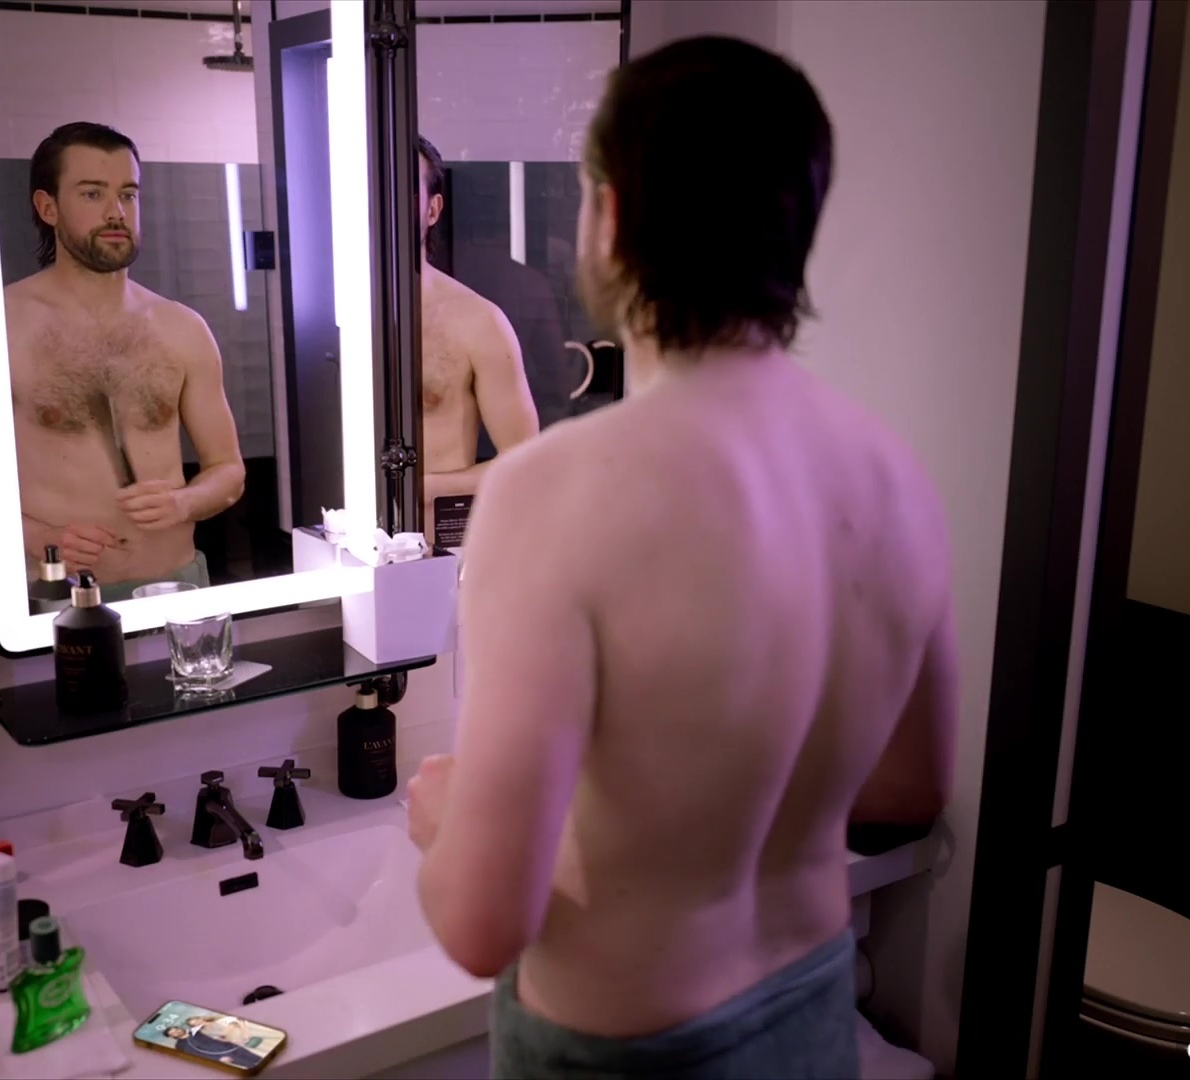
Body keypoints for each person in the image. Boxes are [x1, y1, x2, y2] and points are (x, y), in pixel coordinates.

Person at [405, 37, 957, 1079]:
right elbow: (910, 785)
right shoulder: (893, 474)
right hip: (809, 1013)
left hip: (624, 1051)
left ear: (610, 218)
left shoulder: (553, 492)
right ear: (798, 223)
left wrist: (446, 826)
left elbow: (482, 926)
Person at [6, 122, 245, 600]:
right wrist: (38, 536)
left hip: (175, 585)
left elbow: (228, 470)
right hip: (59, 594)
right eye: (92, 194)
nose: (116, 212)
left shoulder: (181, 327)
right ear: (48, 207)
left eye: (128, 195)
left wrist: (183, 502)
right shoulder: (3, 325)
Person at [415, 135, 540, 538]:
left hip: (434, 550)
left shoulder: (477, 322)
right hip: (339, 543)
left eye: (403, 190)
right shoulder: (329, 321)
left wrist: (413, 487)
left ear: (432, 209)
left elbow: (524, 462)